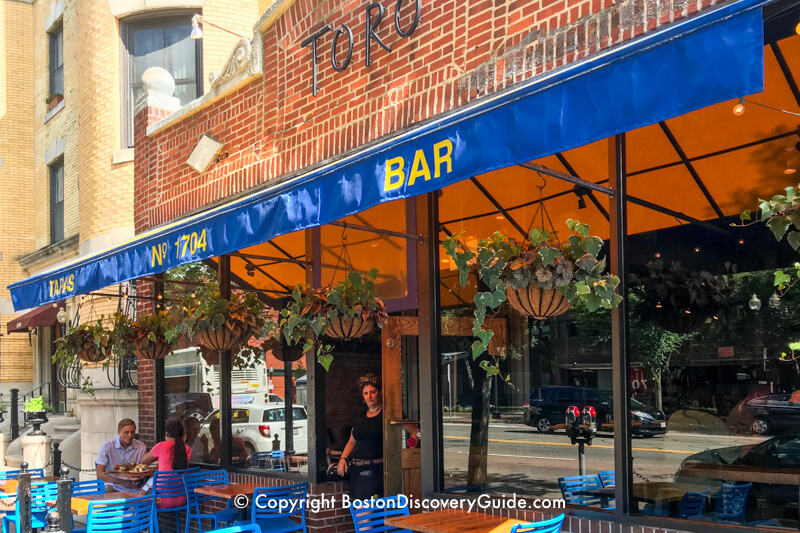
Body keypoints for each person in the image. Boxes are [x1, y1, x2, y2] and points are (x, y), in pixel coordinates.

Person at [336, 374, 418, 499]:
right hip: (357, 472)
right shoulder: (361, 416)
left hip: (377, 471)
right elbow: (352, 442)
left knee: (366, 513)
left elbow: (415, 431)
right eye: (366, 393)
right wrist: (343, 458)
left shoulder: (390, 414)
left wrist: (410, 449)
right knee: (361, 512)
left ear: (380, 393)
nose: (369, 396)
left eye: (372, 392)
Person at [139, 420, 192, 508]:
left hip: (162, 499)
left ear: (167, 434)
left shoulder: (161, 446)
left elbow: (144, 461)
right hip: (182, 498)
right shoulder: (188, 450)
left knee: (140, 497)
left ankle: (131, 518)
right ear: (183, 436)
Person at [96, 419, 147, 493]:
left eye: (132, 432)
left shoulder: (141, 447)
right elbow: (100, 474)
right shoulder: (107, 447)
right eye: (126, 432)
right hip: (113, 484)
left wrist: (140, 477)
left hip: (135, 486)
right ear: (119, 432)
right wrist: (121, 482)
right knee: (107, 491)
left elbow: (145, 469)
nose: (130, 435)